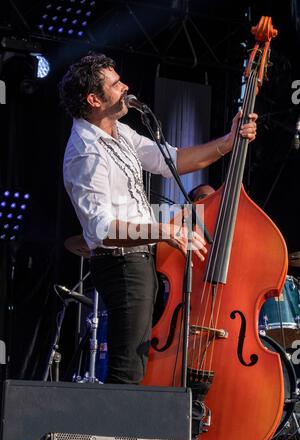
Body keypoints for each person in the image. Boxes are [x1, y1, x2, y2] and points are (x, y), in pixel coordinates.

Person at [59, 53, 257, 385]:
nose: (125, 87)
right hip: (120, 262)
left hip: (138, 258)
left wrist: (228, 142)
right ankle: (115, 437)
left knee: (138, 361)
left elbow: (171, 160)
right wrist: (165, 230)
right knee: (127, 366)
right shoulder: (86, 152)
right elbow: (100, 229)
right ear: (94, 100)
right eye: (115, 83)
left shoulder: (119, 133)